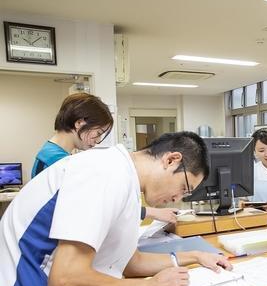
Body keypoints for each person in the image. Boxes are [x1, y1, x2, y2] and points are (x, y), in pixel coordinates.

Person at [0, 130, 232, 286]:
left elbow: (130, 262)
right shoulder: (103, 173)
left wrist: (196, 256)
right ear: (171, 160)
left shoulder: (126, 183)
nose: (177, 198)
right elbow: (66, 279)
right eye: (183, 188)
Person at [31, 93, 179, 224]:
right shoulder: (57, 161)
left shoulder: (50, 152)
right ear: (79, 123)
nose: (98, 140)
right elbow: (93, 207)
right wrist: (151, 212)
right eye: (99, 132)